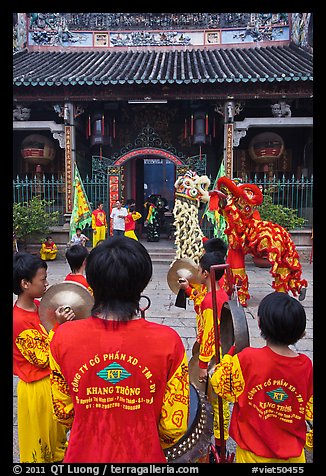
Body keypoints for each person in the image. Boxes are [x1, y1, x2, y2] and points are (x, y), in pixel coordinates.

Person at [49, 236, 190, 463]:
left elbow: (63, 413)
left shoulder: (62, 338)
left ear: (92, 281)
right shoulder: (168, 341)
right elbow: (174, 426)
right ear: (143, 282)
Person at [210, 291, 313, 463]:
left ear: (259, 324)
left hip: (252, 456)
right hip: (293, 457)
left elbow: (218, 382)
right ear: (300, 331)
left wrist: (228, 356)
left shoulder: (247, 359)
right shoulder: (306, 365)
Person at [13, 251, 75, 463]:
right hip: (37, 389)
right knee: (42, 450)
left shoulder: (39, 308)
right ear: (25, 284)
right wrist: (59, 325)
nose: (47, 284)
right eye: (43, 279)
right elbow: (42, 358)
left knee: (58, 444)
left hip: (52, 384)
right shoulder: (18, 321)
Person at [178, 250, 230, 455]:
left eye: (199, 269)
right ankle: (219, 441)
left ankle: (217, 446)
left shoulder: (211, 302)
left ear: (207, 273)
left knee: (215, 402)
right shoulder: (219, 293)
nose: (197, 272)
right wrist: (189, 290)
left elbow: (209, 335)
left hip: (212, 358)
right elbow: (200, 301)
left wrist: (201, 366)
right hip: (221, 354)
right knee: (219, 401)